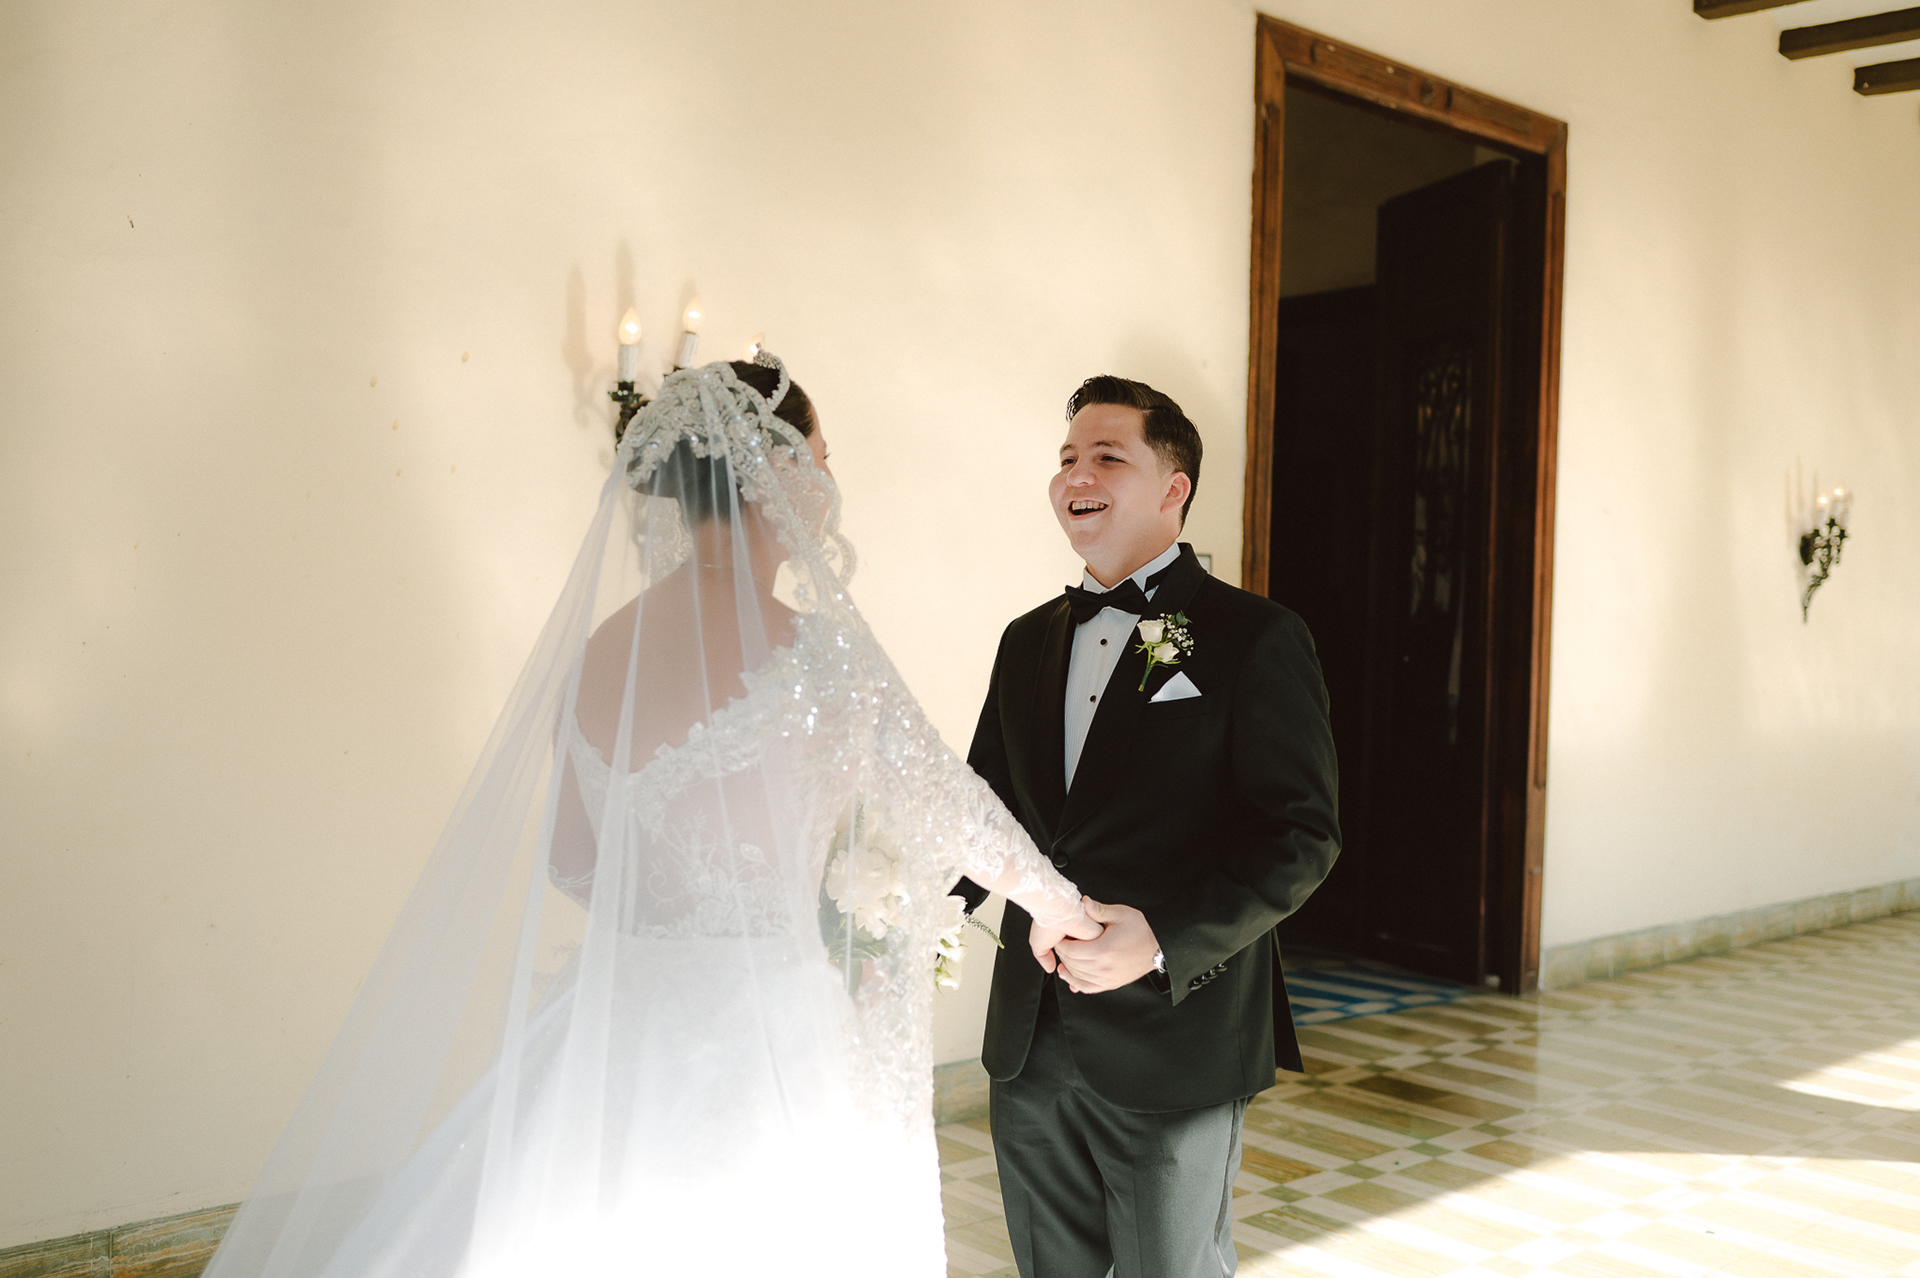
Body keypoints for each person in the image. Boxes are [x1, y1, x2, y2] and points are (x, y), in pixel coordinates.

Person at [200, 355, 1101, 1278]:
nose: (830, 481)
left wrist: (679, 924)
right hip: (768, 1034)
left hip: (613, 1017)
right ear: (776, 469)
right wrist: (1064, 909)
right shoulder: (820, 656)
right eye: (822, 456)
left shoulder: (601, 654)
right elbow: (951, 809)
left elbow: (571, 858)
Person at [957, 375, 1341, 1278]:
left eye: (1107, 456)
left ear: (1175, 487)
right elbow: (984, 811)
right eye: (1066, 459)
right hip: (1030, 1035)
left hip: (1179, 1035)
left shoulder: (1257, 636)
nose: (1076, 476)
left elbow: (1301, 836)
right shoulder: (1025, 639)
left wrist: (1162, 939)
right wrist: (902, 915)